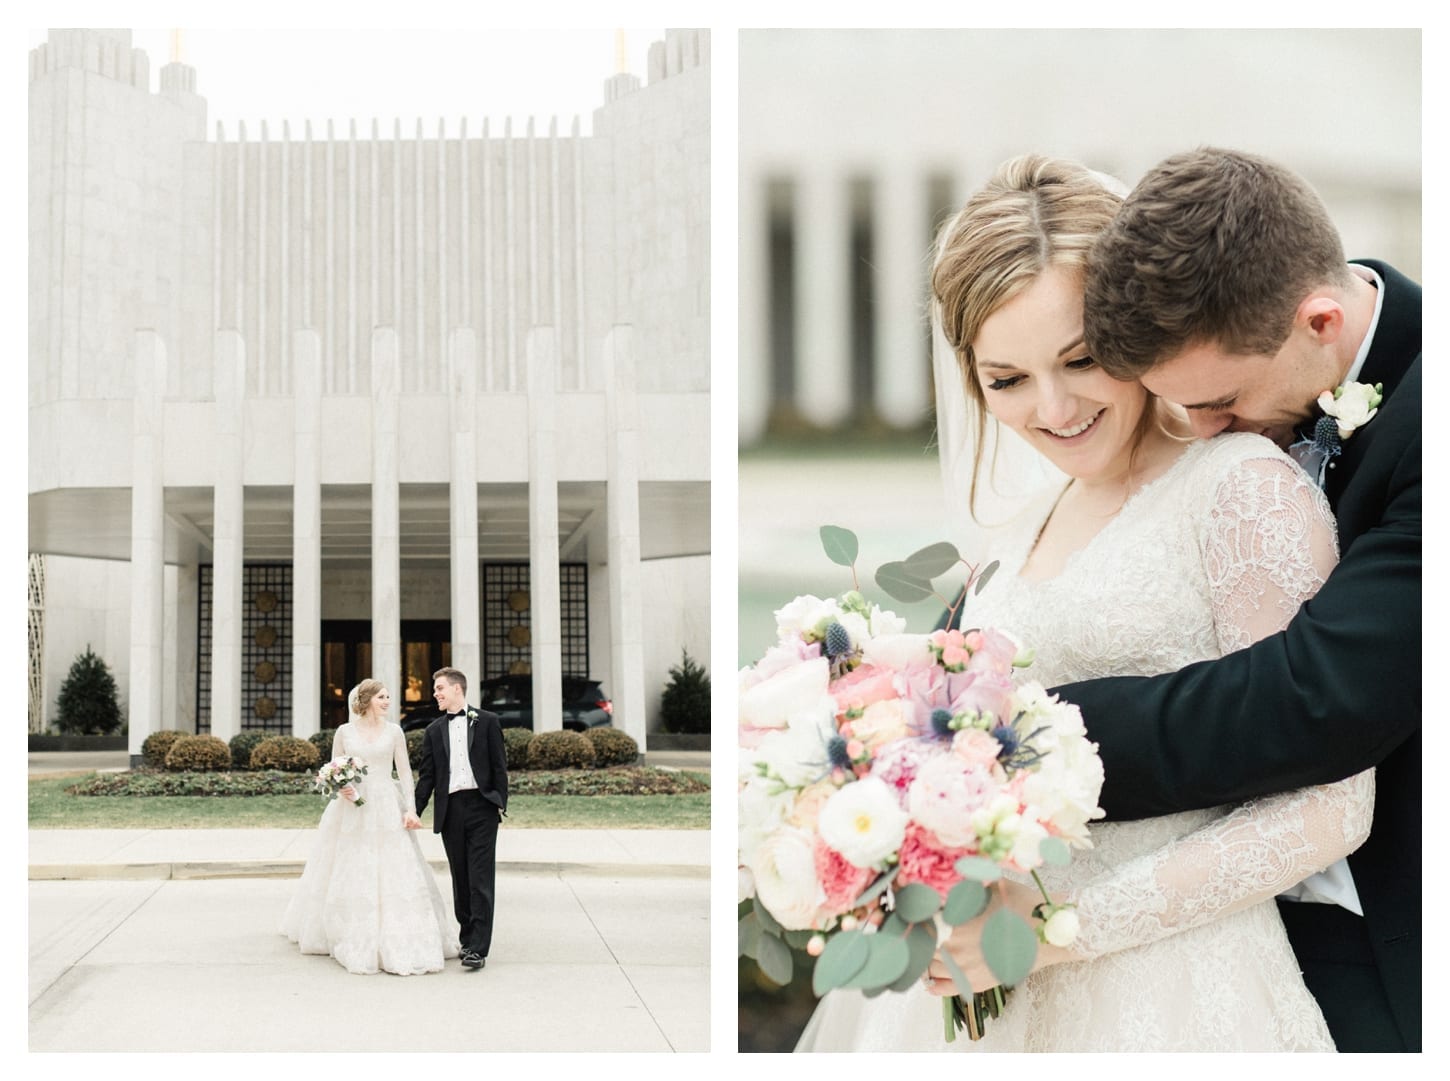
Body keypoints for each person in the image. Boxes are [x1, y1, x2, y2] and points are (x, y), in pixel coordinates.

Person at [794, 155, 1371, 1052]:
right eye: (1007, 378)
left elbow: (1331, 805)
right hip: (988, 998)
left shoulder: (1242, 491)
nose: (1053, 407)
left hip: (1178, 995)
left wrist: (1054, 929)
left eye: (1082, 358)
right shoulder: (1015, 533)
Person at [1049, 146, 1421, 1052]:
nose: (1203, 433)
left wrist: (1029, 735)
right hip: (1238, 946)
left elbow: (1319, 696)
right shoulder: (1256, 399)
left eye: (1219, 400)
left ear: (1320, 319)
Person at [282, 678, 457, 974]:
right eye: (382, 697)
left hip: (387, 803)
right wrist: (343, 787)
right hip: (353, 807)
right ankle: (344, 930)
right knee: (350, 862)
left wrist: (411, 810)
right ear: (366, 701)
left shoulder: (395, 732)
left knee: (394, 865)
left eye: (388, 697)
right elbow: (332, 768)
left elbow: (403, 773)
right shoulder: (344, 731)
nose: (388, 702)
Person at [414, 666, 509, 970]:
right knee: (461, 879)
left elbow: (499, 766)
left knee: (481, 880)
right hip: (450, 811)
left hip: (481, 807)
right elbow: (427, 777)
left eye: (439, 688)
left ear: (457, 689)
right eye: (434, 689)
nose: (435, 693)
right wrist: (414, 812)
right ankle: (467, 938)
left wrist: (498, 802)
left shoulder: (488, 722)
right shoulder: (433, 731)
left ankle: (478, 949)